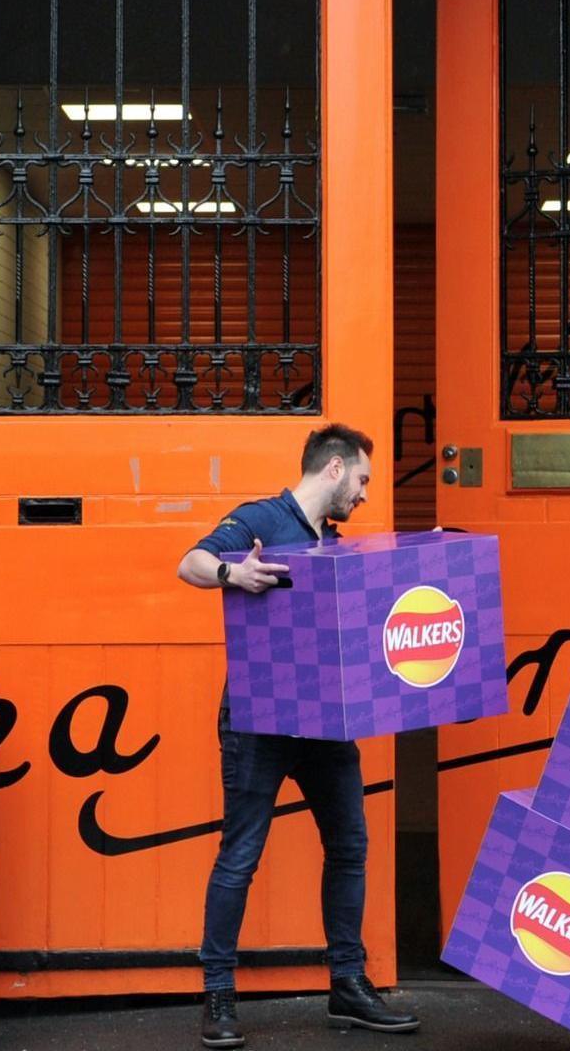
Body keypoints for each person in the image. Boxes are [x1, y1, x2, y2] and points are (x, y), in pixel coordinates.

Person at [176, 423, 419, 1049]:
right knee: (242, 853)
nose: (365, 494)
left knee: (349, 845)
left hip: (325, 720)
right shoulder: (262, 518)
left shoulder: (334, 545)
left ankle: (347, 984)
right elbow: (190, 563)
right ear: (333, 470)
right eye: (362, 479)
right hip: (259, 719)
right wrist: (234, 575)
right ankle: (219, 994)